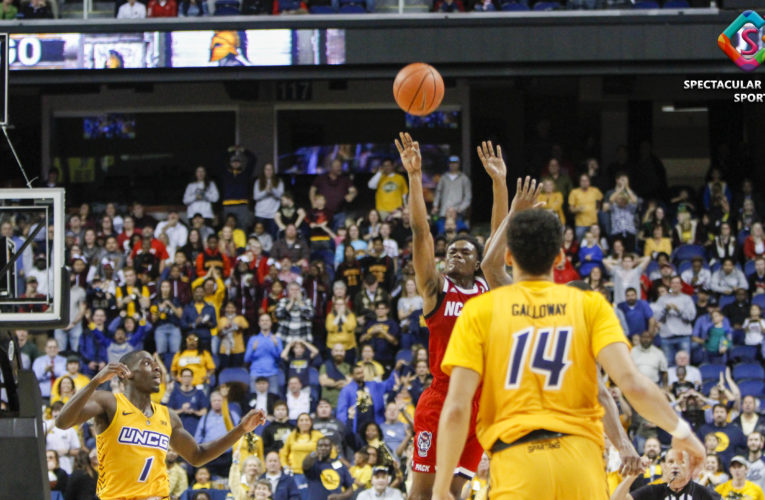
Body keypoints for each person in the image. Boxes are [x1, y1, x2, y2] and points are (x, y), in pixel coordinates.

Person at [432, 207, 705, 500]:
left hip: (517, 463)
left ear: (510, 257)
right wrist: (681, 430)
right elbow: (632, 384)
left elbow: (457, 408)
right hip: (580, 462)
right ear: (559, 257)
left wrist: (441, 487)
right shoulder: (590, 306)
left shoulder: (479, 310)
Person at [395, 133, 505, 499]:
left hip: (481, 400)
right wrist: (414, 177)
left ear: (478, 262)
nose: (454, 255)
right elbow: (420, 231)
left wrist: (499, 183)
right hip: (441, 395)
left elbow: (498, 238)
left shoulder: (488, 288)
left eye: (464, 252)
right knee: (422, 494)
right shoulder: (435, 290)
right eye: (451, 251)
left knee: (455, 493)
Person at [54, 351, 265, 499]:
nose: (156, 368)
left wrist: (241, 430)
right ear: (126, 373)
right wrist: (94, 382)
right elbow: (62, 422)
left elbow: (198, 456)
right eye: (147, 363)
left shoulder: (168, 415)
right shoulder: (108, 401)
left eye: (157, 365)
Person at [610, 449, 715, 500]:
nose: (675, 466)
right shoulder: (653, 491)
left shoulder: (702, 493)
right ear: (664, 467)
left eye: (681, 462)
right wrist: (633, 475)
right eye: (671, 462)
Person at [167, 367, 209, 435]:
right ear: (180, 378)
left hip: (195, 429)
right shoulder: (175, 393)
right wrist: (182, 410)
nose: (187, 378)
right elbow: (169, 413)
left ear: (192, 378)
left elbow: (204, 412)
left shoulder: (199, 393)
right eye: (184, 376)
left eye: (189, 376)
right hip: (178, 430)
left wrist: (193, 411)